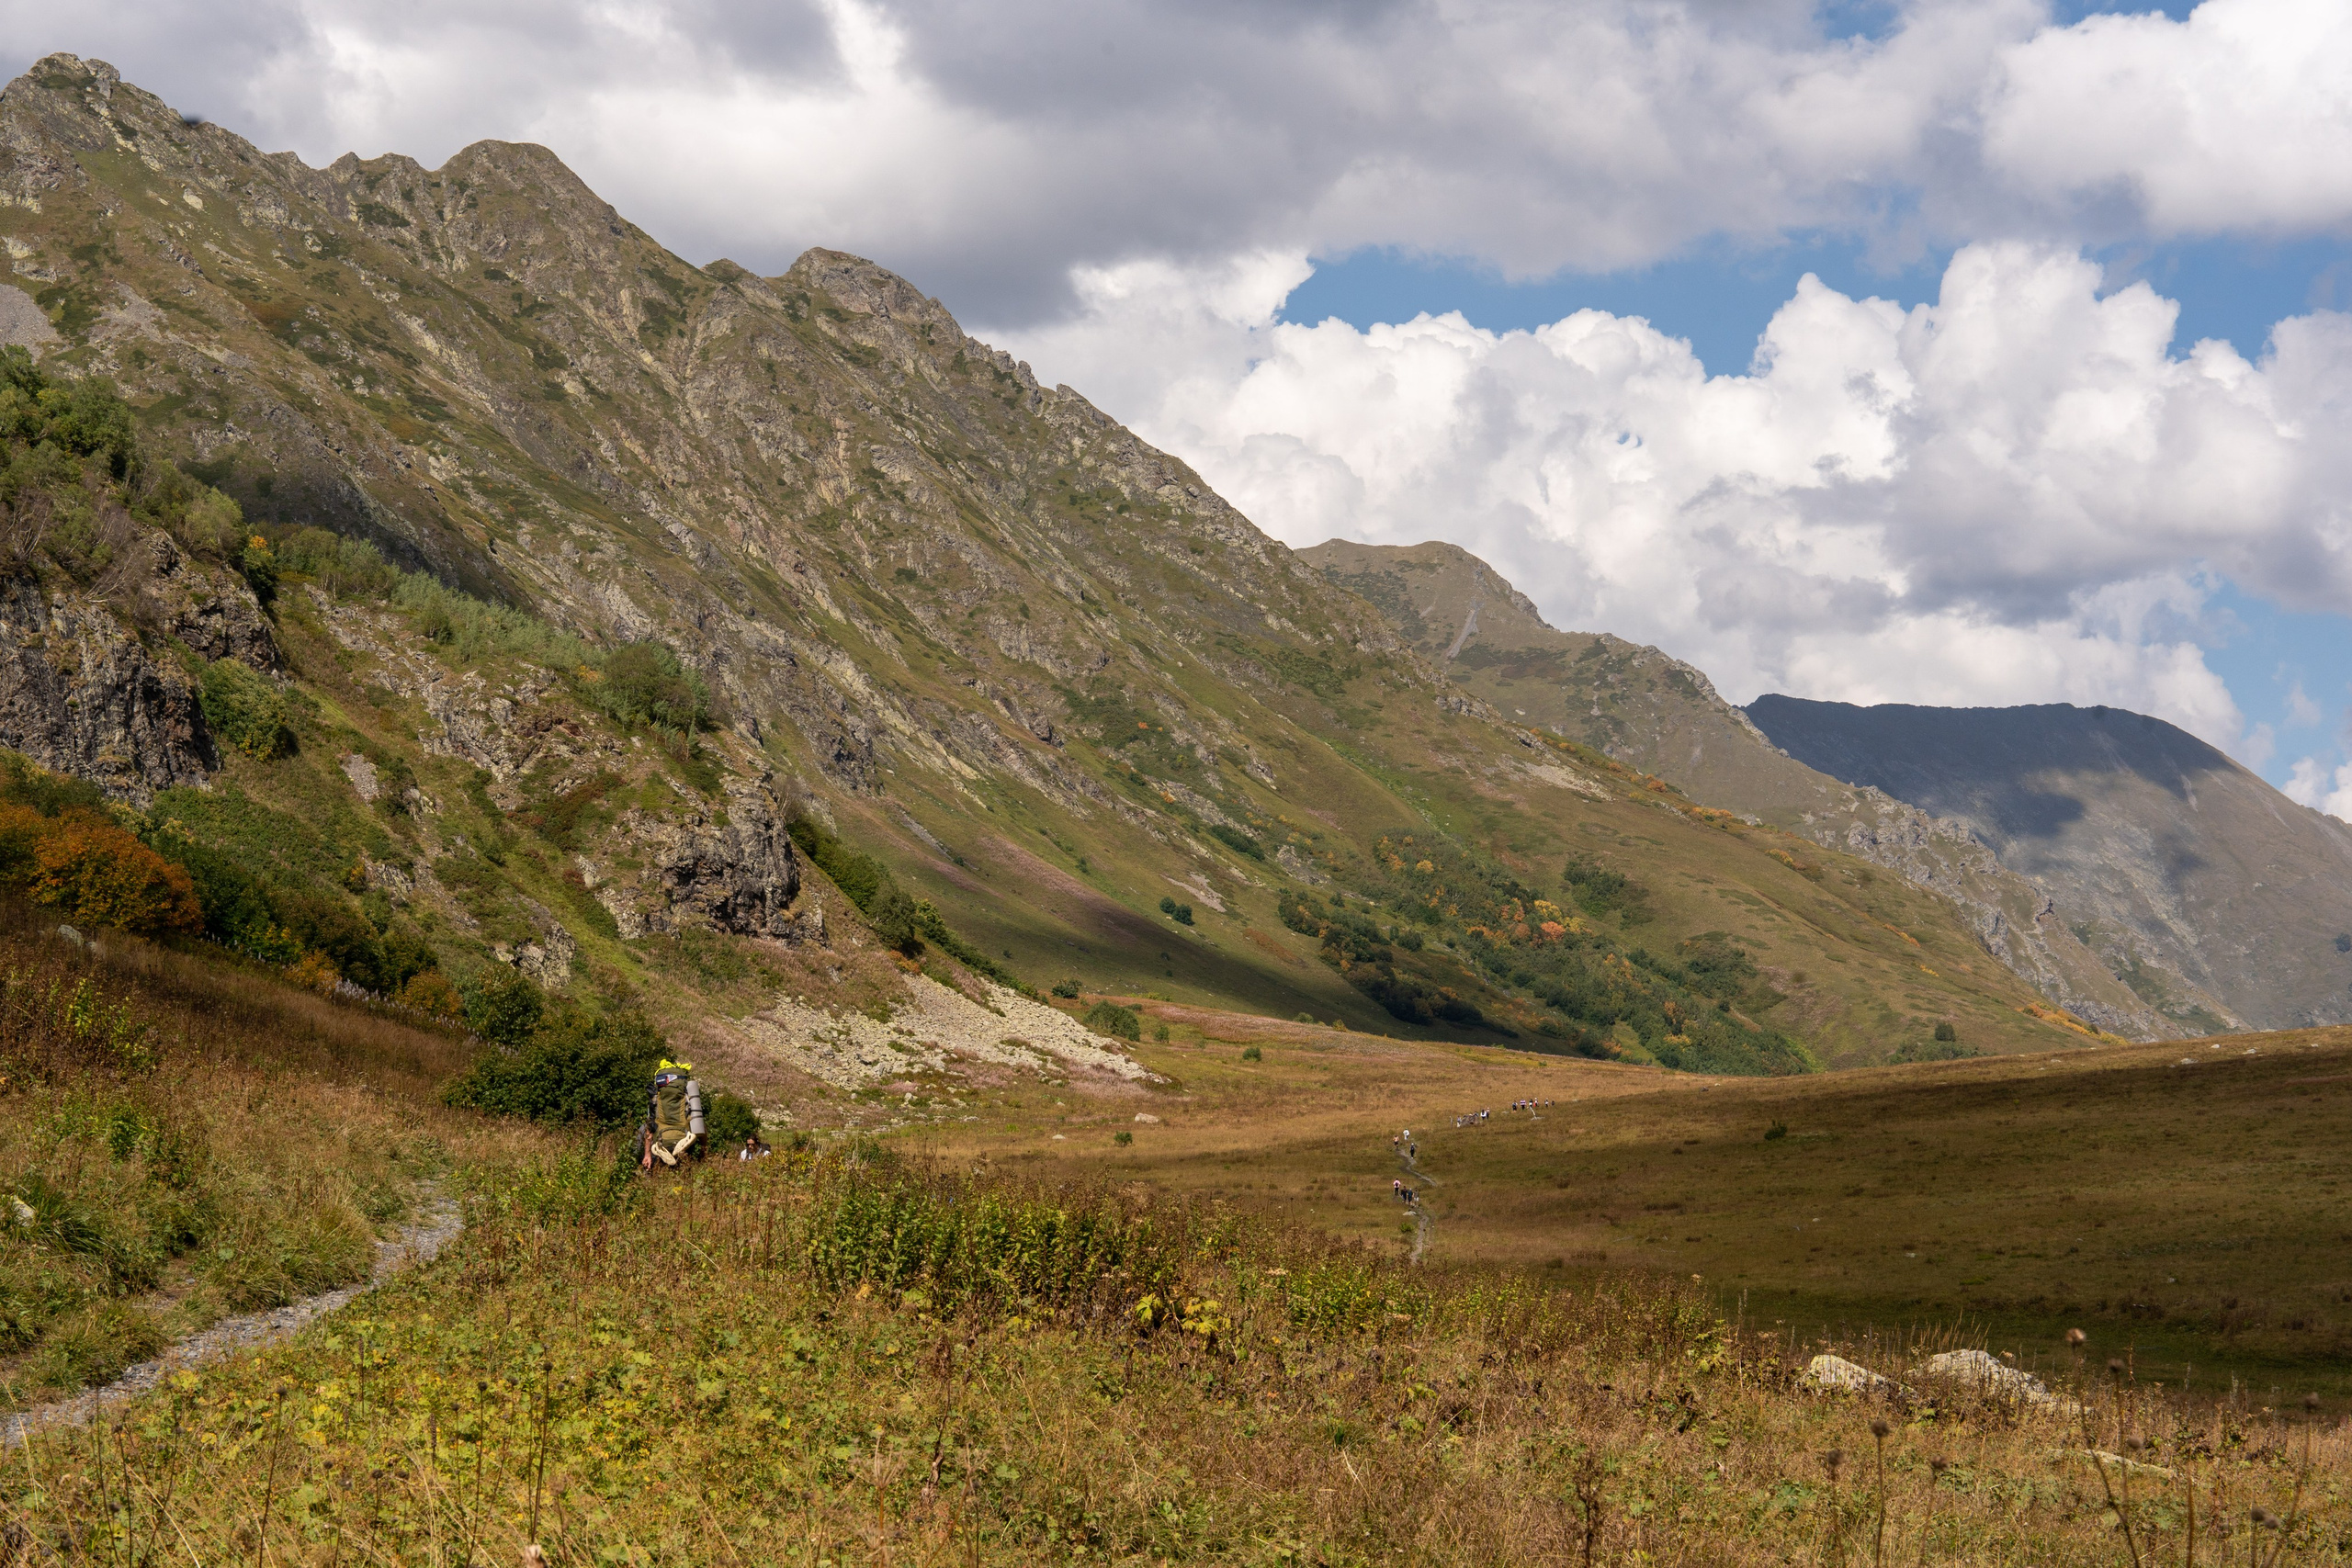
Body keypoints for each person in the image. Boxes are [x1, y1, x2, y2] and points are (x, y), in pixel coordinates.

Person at [639, 1059, 706, 1170]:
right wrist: (703, 1152)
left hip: (661, 1141)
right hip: (685, 1140)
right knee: (684, 1175)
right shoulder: (688, 1099)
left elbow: (649, 1131)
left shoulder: (655, 1099)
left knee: (661, 1176)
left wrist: (647, 1155)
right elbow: (700, 1126)